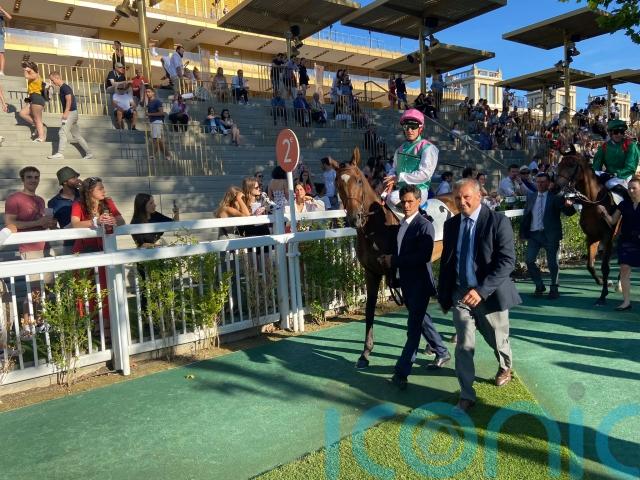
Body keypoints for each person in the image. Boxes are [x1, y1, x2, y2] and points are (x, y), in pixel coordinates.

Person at [438, 178, 521, 412]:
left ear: (479, 196)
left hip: (489, 293)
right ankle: (467, 395)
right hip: (460, 294)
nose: (461, 202)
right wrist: (444, 294)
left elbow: (507, 262)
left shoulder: (498, 221)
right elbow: (447, 262)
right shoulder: (451, 225)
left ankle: (505, 366)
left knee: (497, 339)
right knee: (463, 344)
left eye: (466, 197)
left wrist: (482, 291)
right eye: (457, 198)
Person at [378, 185, 449, 390]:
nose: (406, 205)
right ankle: (442, 351)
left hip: (420, 285)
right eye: (404, 202)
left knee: (413, 329)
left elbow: (423, 257)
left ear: (419, 201)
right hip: (407, 283)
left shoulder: (424, 226)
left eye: (410, 201)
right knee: (421, 320)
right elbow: (400, 252)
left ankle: (402, 372)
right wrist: (394, 275)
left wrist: (394, 261)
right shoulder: (402, 225)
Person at [521, 173, 576, 299]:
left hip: (551, 235)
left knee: (552, 263)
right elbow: (526, 216)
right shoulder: (531, 196)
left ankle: (554, 288)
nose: (540, 184)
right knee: (529, 261)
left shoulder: (556, 197)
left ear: (548, 183)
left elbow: (569, 212)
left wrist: (568, 206)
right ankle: (539, 285)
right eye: (538, 182)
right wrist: (523, 233)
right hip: (534, 234)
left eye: (542, 182)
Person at [597, 178, 640, 311]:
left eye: (634, 188)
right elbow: (612, 221)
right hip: (626, 241)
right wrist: (604, 212)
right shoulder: (623, 204)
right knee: (624, 269)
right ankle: (626, 302)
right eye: (629, 188)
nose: (631, 191)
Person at [383, 109, 438, 211]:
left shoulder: (428, 148)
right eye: (406, 127)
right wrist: (390, 178)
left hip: (419, 190)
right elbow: (394, 169)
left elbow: (425, 174)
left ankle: (419, 218)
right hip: (401, 189)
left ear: (420, 128)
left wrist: (399, 178)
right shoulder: (400, 149)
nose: (409, 130)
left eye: (413, 127)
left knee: (392, 198)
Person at [47, 71, 93, 159]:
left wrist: (66, 112)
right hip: (73, 113)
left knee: (62, 132)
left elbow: (69, 99)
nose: (52, 82)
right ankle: (89, 153)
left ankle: (60, 153)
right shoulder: (63, 88)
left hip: (71, 113)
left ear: (57, 78)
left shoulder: (65, 87)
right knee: (77, 135)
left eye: (52, 80)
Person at [592, 119, 640, 201]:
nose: (619, 134)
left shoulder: (630, 145)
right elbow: (596, 166)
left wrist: (615, 174)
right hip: (608, 176)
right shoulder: (604, 147)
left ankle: (631, 203)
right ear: (610, 133)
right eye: (616, 132)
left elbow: (630, 168)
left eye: (622, 132)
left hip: (625, 176)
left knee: (611, 184)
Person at [47, 166, 81, 255]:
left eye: (77, 177)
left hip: (89, 239)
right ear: (65, 182)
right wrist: (53, 226)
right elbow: (52, 226)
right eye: (73, 178)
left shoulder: (83, 195)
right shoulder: (53, 202)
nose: (77, 180)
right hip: (69, 244)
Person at [18, 61, 46, 142]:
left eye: (27, 67)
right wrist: (28, 100)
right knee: (22, 113)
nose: (25, 68)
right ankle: (40, 126)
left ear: (31, 68)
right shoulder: (32, 75)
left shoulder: (35, 75)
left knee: (37, 119)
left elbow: (26, 76)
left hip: (37, 98)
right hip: (33, 98)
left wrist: (26, 70)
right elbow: (31, 91)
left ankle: (41, 137)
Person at [145, 87, 171, 160]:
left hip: (157, 121)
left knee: (156, 139)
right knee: (159, 140)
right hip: (153, 122)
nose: (147, 93)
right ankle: (167, 155)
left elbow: (161, 113)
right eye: (146, 92)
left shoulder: (157, 101)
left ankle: (153, 155)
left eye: (149, 92)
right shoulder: (149, 102)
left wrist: (149, 114)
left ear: (153, 93)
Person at [0, 4, 12, 76]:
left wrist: (1, 9)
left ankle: (1, 71)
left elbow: (9, 17)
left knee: (0, 53)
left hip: (0, 35)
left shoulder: (1, 15)